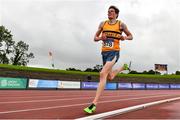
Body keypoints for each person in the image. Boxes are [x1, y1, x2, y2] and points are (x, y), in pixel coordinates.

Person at [84, 5, 133, 114]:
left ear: (116, 14)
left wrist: (124, 37)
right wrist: (101, 37)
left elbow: (131, 36)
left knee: (102, 74)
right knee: (110, 77)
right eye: (108, 11)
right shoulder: (103, 24)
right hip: (104, 53)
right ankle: (122, 68)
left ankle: (94, 104)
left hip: (114, 52)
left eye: (111, 11)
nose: (109, 13)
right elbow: (95, 38)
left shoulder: (121, 24)